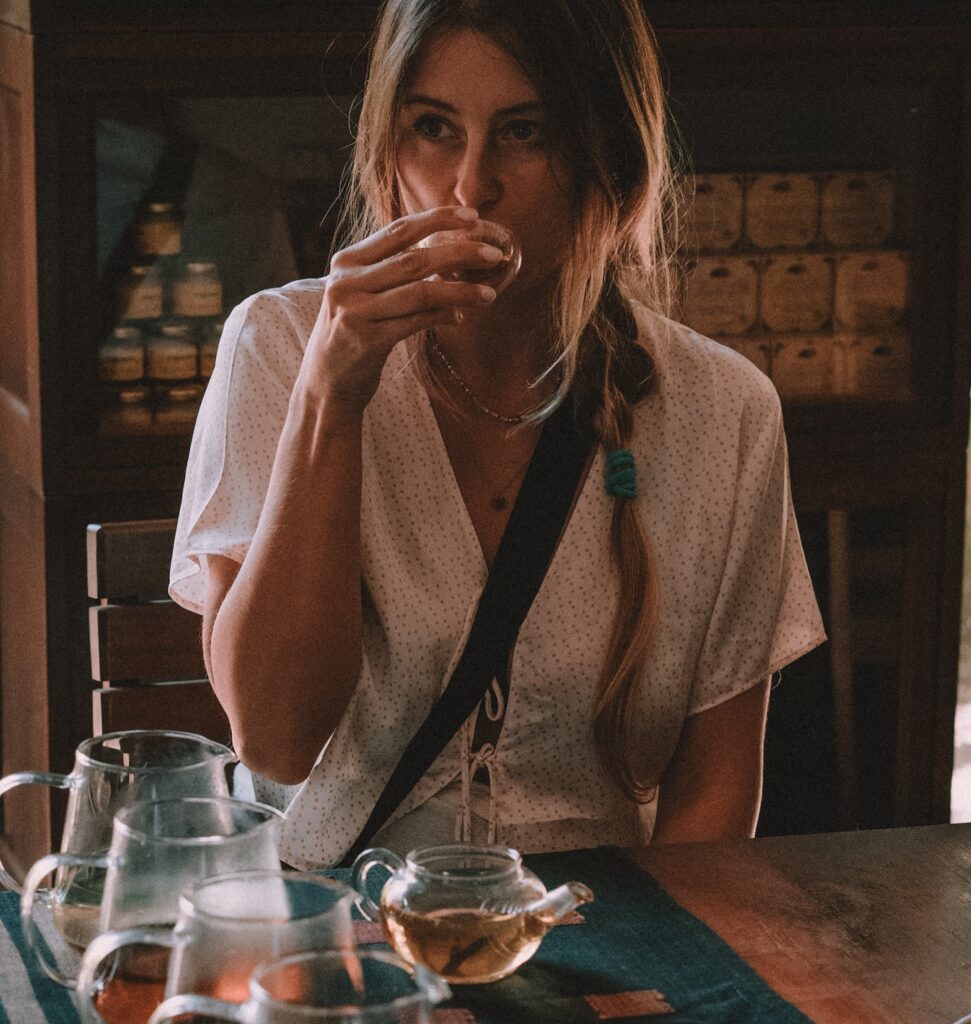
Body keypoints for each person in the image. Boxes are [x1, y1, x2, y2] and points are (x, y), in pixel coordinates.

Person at [170, 0, 826, 870]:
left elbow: (714, 789)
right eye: (434, 128)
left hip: (593, 931)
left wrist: (655, 980)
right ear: (385, 146)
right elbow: (277, 742)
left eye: (526, 133)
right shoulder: (282, 347)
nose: (469, 187)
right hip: (339, 940)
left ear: (611, 159)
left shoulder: (724, 410)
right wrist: (333, 395)